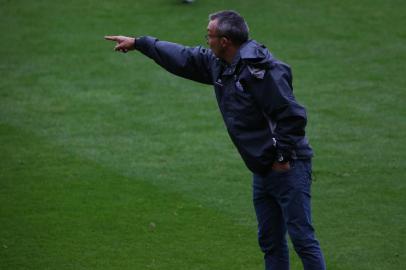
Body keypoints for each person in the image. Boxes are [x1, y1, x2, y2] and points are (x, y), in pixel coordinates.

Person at [105, 10, 326, 270]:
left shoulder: (260, 72)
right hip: (263, 167)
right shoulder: (220, 64)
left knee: (302, 240)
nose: (206, 41)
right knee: (270, 241)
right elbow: (184, 57)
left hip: (289, 166)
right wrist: (140, 43)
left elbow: (293, 116)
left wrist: (282, 157)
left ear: (225, 41)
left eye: (209, 36)